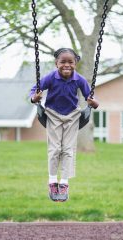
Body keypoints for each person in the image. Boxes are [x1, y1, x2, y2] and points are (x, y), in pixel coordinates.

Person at [30, 48, 99, 202]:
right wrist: (35, 98)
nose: (66, 65)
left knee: (68, 149)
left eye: (70, 62)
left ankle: (64, 183)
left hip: (72, 116)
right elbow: (34, 90)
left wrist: (93, 102)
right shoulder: (50, 78)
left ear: (75, 64)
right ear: (56, 63)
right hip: (53, 115)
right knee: (54, 148)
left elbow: (91, 96)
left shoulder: (79, 79)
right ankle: (52, 181)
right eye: (63, 62)